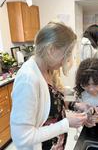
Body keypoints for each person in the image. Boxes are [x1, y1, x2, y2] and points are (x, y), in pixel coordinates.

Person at [10, 22, 88, 150]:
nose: (66, 61)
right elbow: (22, 137)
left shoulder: (47, 69)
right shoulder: (28, 79)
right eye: (66, 54)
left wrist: (77, 105)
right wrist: (66, 123)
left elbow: (53, 102)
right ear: (51, 50)